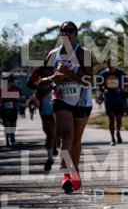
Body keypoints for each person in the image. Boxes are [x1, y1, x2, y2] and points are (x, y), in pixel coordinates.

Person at [39, 21, 94, 192]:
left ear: (75, 34)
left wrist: (69, 73)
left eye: (70, 30)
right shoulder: (53, 55)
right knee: (66, 136)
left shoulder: (83, 53)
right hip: (60, 99)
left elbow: (90, 81)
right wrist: (53, 78)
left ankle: (74, 170)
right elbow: (40, 81)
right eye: (63, 30)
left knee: (76, 140)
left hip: (82, 101)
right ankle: (66, 176)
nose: (66, 33)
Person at [27, 65, 58, 171]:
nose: (47, 75)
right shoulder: (41, 84)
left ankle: (54, 147)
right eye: (44, 74)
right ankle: (50, 158)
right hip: (46, 111)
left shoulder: (57, 81)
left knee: (57, 133)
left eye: (49, 73)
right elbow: (39, 96)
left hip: (58, 111)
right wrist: (49, 88)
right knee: (50, 134)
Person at [100, 63, 127, 144]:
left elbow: (126, 84)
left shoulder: (121, 73)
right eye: (110, 65)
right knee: (111, 119)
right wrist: (103, 90)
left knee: (118, 118)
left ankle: (118, 132)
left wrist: (121, 88)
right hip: (109, 99)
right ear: (107, 65)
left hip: (119, 99)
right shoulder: (103, 73)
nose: (111, 66)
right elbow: (100, 86)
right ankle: (112, 138)